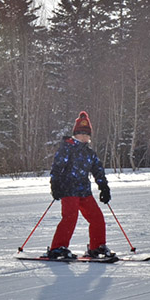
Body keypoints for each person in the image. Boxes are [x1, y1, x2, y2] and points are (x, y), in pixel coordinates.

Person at [46, 111, 115, 260]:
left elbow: (98, 171)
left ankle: (97, 247)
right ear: (75, 135)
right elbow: (57, 167)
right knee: (70, 217)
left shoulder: (89, 153)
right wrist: (55, 184)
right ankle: (58, 248)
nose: (84, 137)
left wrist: (104, 187)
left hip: (84, 191)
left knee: (97, 217)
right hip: (68, 190)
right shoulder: (67, 148)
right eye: (81, 134)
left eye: (87, 134)